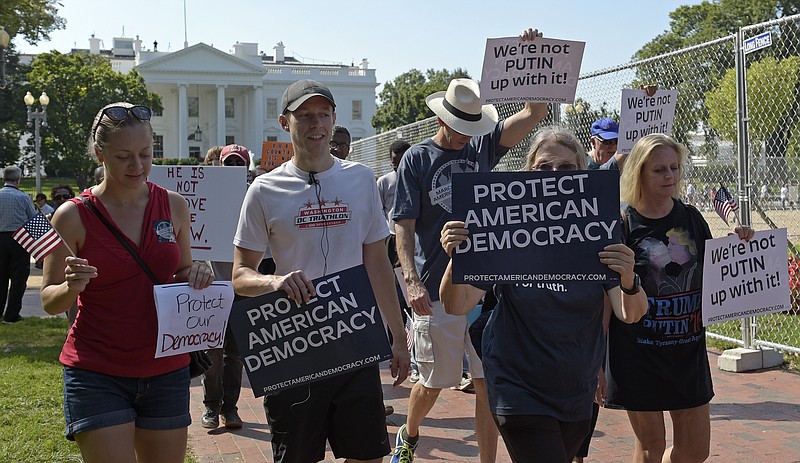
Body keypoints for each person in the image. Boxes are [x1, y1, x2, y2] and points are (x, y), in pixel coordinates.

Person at [438, 127, 648, 462]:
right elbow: (456, 303)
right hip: (517, 386)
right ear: (529, 175)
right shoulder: (505, 224)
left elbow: (631, 312)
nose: (554, 177)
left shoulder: (599, 226)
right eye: (544, 169)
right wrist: (456, 259)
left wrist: (628, 278)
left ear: (581, 174)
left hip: (575, 390)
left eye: (565, 169)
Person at [391, 27, 549, 463]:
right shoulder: (417, 159)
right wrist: (410, 281)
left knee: (485, 379)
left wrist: (529, 56)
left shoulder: (484, 146)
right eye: (458, 126)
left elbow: (534, 112)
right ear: (441, 119)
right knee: (437, 380)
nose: (465, 134)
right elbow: (402, 226)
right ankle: (410, 432)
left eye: (471, 126)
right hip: (432, 286)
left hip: (480, 283)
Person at [231, 79, 410, 463]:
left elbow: (376, 261)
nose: (316, 125)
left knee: (367, 455)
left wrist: (397, 335)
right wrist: (275, 280)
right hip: (293, 343)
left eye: (323, 115)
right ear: (284, 122)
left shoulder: (360, 178)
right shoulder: (264, 189)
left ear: (334, 120)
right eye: (305, 116)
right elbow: (240, 276)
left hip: (353, 338)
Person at [41, 102, 215, 463]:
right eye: (123, 157)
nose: (137, 166)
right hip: (96, 370)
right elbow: (49, 300)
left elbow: (181, 273)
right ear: (99, 153)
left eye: (146, 154)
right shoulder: (73, 215)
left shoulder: (174, 205)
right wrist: (71, 287)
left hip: (166, 368)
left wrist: (199, 272)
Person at [606, 133, 755, 463]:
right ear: (639, 173)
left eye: (674, 168)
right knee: (651, 448)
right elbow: (608, 299)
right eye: (659, 170)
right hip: (638, 354)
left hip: (687, 352)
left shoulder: (691, 218)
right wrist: (595, 365)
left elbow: (716, 275)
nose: (670, 176)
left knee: (695, 451)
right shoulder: (623, 224)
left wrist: (737, 245)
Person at [200, 143, 250, 430]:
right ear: (219, 165)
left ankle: (230, 408)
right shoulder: (207, 198)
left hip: (243, 290)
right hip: (212, 288)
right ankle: (211, 406)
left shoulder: (255, 196)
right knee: (212, 352)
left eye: (238, 164)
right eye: (228, 164)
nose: (233, 169)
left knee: (236, 354)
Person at [0, 166, 36, 324]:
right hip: (19, 239)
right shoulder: (22, 197)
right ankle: (11, 315)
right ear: (18, 180)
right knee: (18, 279)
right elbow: (33, 219)